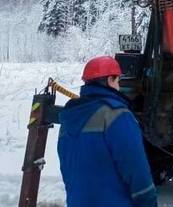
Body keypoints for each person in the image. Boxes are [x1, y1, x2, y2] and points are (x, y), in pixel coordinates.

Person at [58, 56, 157, 207]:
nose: (118, 86)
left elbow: (68, 172)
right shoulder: (117, 115)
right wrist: (148, 202)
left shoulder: (68, 118)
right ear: (110, 80)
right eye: (117, 81)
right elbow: (136, 169)